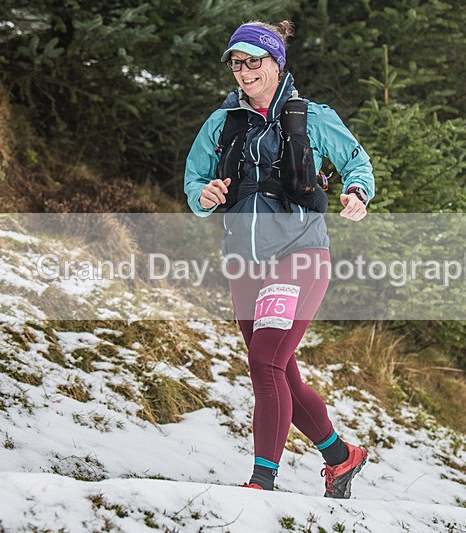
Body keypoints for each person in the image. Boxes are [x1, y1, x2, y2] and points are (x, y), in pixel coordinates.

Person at [184, 20, 375, 499]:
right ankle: (339, 456)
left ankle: (261, 480)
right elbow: (194, 181)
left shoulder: (312, 116)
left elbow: (357, 161)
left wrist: (357, 192)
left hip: (300, 254)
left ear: (276, 62)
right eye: (236, 62)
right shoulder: (221, 122)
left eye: (254, 61)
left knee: (265, 358)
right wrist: (203, 194)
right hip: (244, 264)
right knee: (279, 367)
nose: (244, 72)